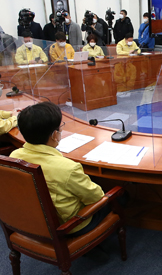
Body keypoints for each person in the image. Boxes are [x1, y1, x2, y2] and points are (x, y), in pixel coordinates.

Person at [10, 102, 106, 237]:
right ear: (55, 135)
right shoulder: (67, 168)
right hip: (69, 226)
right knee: (119, 196)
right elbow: (96, 198)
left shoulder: (14, 156)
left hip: (34, 220)